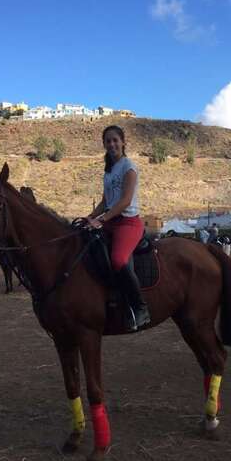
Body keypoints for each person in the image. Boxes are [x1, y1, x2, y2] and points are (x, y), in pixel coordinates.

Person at [87, 125, 150, 331]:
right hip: (111, 221)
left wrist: (102, 219)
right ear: (104, 145)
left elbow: (124, 201)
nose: (112, 144)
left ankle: (140, 308)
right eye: (108, 141)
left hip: (128, 222)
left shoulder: (128, 167)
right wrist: (89, 217)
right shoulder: (108, 171)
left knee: (119, 260)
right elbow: (105, 201)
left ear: (123, 142)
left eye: (115, 140)